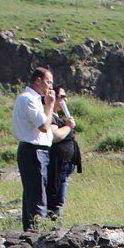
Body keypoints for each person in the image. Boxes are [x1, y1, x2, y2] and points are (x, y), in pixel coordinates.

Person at [11, 67, 74, 231]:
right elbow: (44, 126)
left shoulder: (34, 99)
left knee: (36, 193)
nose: (50, 87)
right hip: (34, 150)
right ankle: (36, 233)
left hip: (39, 151)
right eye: (48, 82)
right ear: (37, 80)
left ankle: (32, 231)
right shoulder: (29, 99)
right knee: (38, 196)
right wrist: (50, 105)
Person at [45, 86, 81, 221]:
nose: (64, 100)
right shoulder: (51, 118)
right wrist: (68, 126)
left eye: (65, 97)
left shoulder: (57, 117)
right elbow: (56, 136)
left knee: (58, 196)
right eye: (61, 96)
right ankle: (53, 225)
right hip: (58, 162)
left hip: (65, 163)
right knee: (56, 198)